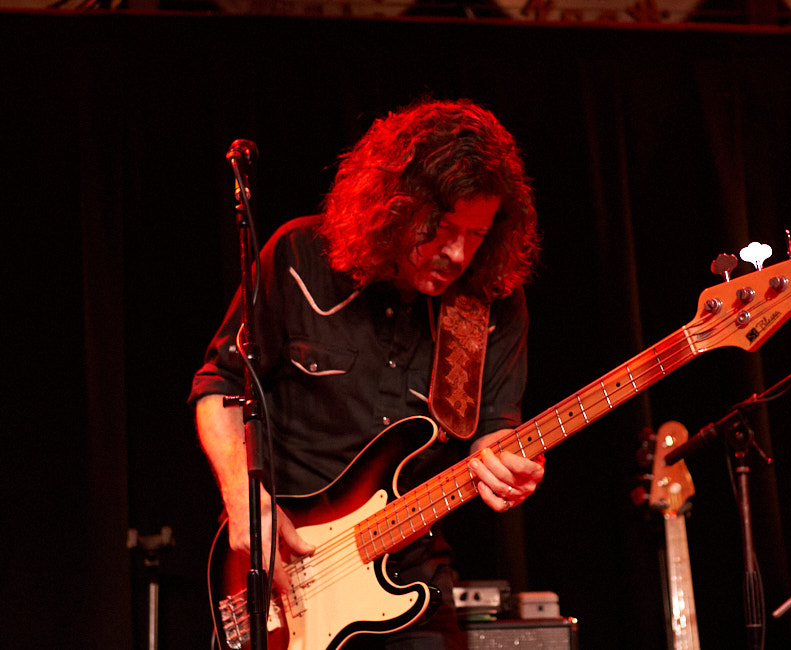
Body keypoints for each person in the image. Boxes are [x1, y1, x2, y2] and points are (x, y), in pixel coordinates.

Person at [190, 98, 545, 649]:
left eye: (476, 234)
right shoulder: (298, 256)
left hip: (410, 577)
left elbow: (494, 433)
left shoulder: (490, 301)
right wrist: (242, 496)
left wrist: (509, 468)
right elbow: (219, 386)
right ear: (396, 205)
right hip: (283, 573)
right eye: (442, 227)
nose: (457, 254)